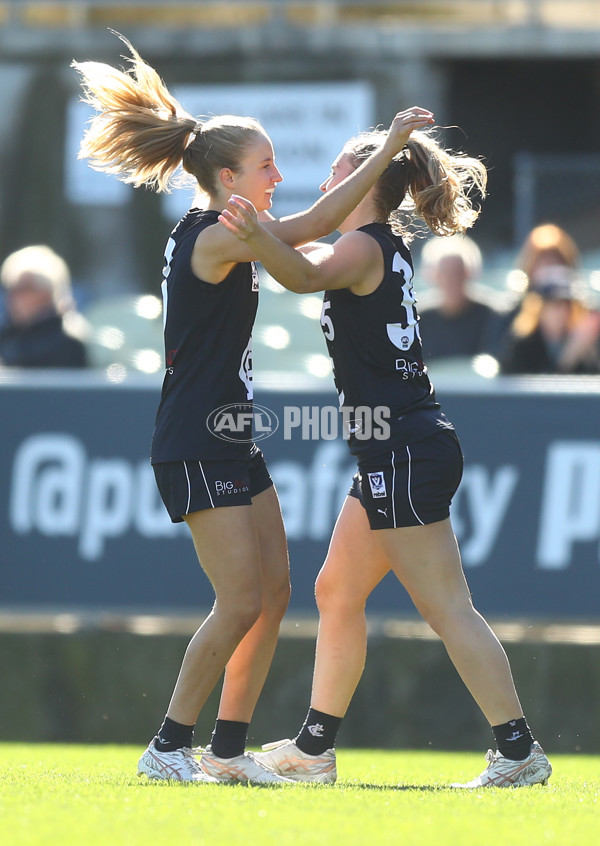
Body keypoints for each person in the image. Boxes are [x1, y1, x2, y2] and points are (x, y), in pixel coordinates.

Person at [72, 32, 435, 784]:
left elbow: (302, 228)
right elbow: (309, 234)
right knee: (239, 598)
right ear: (229, 177)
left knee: (274, 593)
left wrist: (384, 152)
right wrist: (391, 144)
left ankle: (227, 754)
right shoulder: (215, 235)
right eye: (266, 166)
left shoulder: (232, 230)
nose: (279, 175)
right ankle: (168, 745)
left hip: (229, 431)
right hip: (196, 438)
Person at [219, 124, 553, 788]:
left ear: (363, 182)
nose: (323, 186)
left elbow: (302, 273)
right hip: (394, 447)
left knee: (447, 608)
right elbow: (295, 237)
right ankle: (314, 750)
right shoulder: (372, 243)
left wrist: (253, 237)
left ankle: (518, 752)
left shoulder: (362, 249)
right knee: (335, 590)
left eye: (336, 172)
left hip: (403, 447)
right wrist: (237, 225)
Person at [417, 234, 506, 361]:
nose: (451, 280)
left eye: (457, 273)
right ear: (434, 275)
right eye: (445, 273)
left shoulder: (492, 315)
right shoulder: (419, 318)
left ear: (469, 273)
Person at [501, 264, 600, 375]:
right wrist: (567, 358)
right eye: (555, 305)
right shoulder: (522, 345)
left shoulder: (580, 341)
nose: (562, 312)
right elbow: (526, 387)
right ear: (539, 307)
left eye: (567, 305)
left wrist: (590, 355)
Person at [0, 245, 88, 368]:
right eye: (11, 288)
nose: (13, 297)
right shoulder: (9, 336)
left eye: (23, 288)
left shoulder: (67, 342)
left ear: (46, 293)